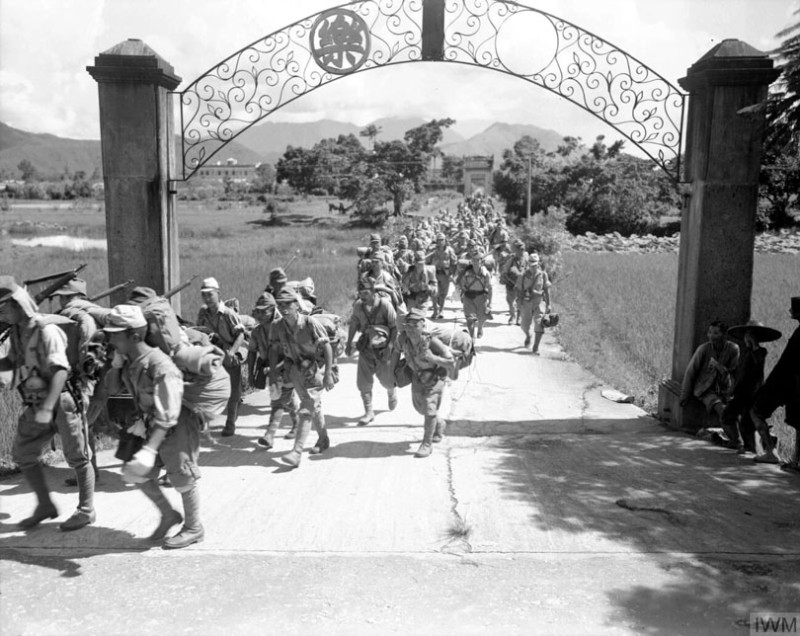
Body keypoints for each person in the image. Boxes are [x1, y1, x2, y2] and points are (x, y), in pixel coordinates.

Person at [103, 304, 204, 549]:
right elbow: (113, 389)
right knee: (135, 473)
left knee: (182, 478)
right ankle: (168, 515)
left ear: (134, 335)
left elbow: (169, 413)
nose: (111, 340)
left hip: (176, 426)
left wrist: (149, 450)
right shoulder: (130, 361)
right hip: (149, 424)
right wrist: (116, 365)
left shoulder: (160, 365)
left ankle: (194, 528)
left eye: (116, 335)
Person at [0, 276, 95, 531]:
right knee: (23, 453)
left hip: (61, 401)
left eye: (3, 308)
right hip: (36, 403)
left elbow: (61, 371)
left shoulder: (46, 331)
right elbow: (12, 361)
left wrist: (46, 408)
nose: (1, 314)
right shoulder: (17, 332)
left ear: (18, 305)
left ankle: (86, 510)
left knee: (78, 457)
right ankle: (45, 505)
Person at [269, 287, 336, 468]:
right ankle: (323, 439)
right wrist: (274, 372)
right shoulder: (277, 326)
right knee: (313, 406)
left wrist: (328, 374)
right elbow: (274, 349)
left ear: (296, 305)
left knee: (306, 408)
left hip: (314, 370)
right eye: (280, 305)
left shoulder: (309, 323)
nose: (283, 308)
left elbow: (327, 347)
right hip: (294, 371)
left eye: (287, 304)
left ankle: (296, 452)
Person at [398, 308, 456, 458]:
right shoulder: (403, 340)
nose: (411, 329)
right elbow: (395, 353)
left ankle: (427, 444)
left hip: (435, 379)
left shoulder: (432, 342)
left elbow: (451, 362)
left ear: (423, 326)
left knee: (429, 410)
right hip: (417, 378)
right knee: (420, 408)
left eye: (415, 326)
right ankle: (439, 423)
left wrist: (433, 358)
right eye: (408, 326)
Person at [750, 297, 800, 470]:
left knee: (756, 410)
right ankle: (795, 459)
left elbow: (789, 363)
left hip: (785, 382)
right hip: (792, 383)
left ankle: (771, 452)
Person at [721, 320, 781, 453]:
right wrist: (732, 388)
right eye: (746, 335)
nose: (747, 338)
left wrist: (754, 344)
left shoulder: (760, 352)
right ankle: (736, 441)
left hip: (753, 393)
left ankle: (750, 447)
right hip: (740, 392)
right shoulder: (744, 353)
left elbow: (758, 359)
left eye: (751, 335)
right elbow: (740, 373)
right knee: (727, 416)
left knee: (746, 424)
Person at [196, 277, 246, 437]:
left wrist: (231, 352)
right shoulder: (203, 313)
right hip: (212, 355)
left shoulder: (228, 314)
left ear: (218, 293)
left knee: (233, 392)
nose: (207, 298)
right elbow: (200, 331)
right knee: (206, 388)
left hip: (228, 354)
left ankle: (230, 423)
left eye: (210, 294)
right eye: (204, 295)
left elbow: (240, 335)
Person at [249, 293, 300, 448]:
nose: (260, 315)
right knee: (287, 399)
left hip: (287, 367)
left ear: (273, 310)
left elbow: (291, 354)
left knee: (278, 401)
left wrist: (274, 369)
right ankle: (297, 422)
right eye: (258, 311)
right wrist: (251, 374)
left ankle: (269, 434)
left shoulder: (282, 328)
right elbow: (252, 352)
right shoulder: (257, 331)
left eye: (264, 311)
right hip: (271, 370)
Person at [345, 278, 398, 426]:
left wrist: (390, 348)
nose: (362, 296)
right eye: (360, 293)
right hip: (366, 348)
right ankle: (369, 412)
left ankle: (391, 391)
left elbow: (395, 327)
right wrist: (349, 343)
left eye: (366, 293)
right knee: (363, 382)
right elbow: (354, 323)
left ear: (373, 292)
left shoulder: (385, 305)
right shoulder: (358, 306)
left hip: (383, 349)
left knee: (387, 381)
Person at [679, 320, 740, 439]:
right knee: (722, 410)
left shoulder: (733, 349)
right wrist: (684, 395)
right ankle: (735, 439)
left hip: (725, 388)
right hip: (705, 390)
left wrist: (719, 367)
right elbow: (690, 372)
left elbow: (734, 372)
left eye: (716, 333)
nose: (711, 336)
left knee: (737, 411)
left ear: (724, 335)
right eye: (710, 332)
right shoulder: (703, 349)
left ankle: (744, 437)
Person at [514, 253, 551, 354]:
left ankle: (536, 347)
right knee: (524, 325)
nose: (533, 267)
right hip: (526, 303)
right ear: (528, 264)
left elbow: (547, 290)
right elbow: (518, 290)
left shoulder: (543, 275)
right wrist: (518, 302)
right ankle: (528, 335)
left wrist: (549, 304)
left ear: (538, 264)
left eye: (535, 265)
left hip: (539, 303)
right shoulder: (522, 275)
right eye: (531, 265)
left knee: (539, 324)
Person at [456, 250, 492, 340]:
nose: (475, 262)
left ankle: (480, 328)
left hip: (481, 298)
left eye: (478, 260)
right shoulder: (467, 273)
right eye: (474, 260)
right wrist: (462, 292)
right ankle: (472, 337)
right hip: (469, 297)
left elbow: (490, 288)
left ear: (482, 262)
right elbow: (461, 284)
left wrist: (490, 302)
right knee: (470, 319)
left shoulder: (485, 274)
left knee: (481, 317)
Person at [427, 234, 457, 320]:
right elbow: (427, 261)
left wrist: (452, 273)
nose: (440, 242)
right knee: (434, 293)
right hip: (434, 274)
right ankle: (435, 311)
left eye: (442, 240)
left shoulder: (449, 250)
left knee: (443, 294)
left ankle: (441, 311)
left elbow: (454, 262)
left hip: (445, 274)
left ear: (445, 240)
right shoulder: (432, 250)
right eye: (438, 240)